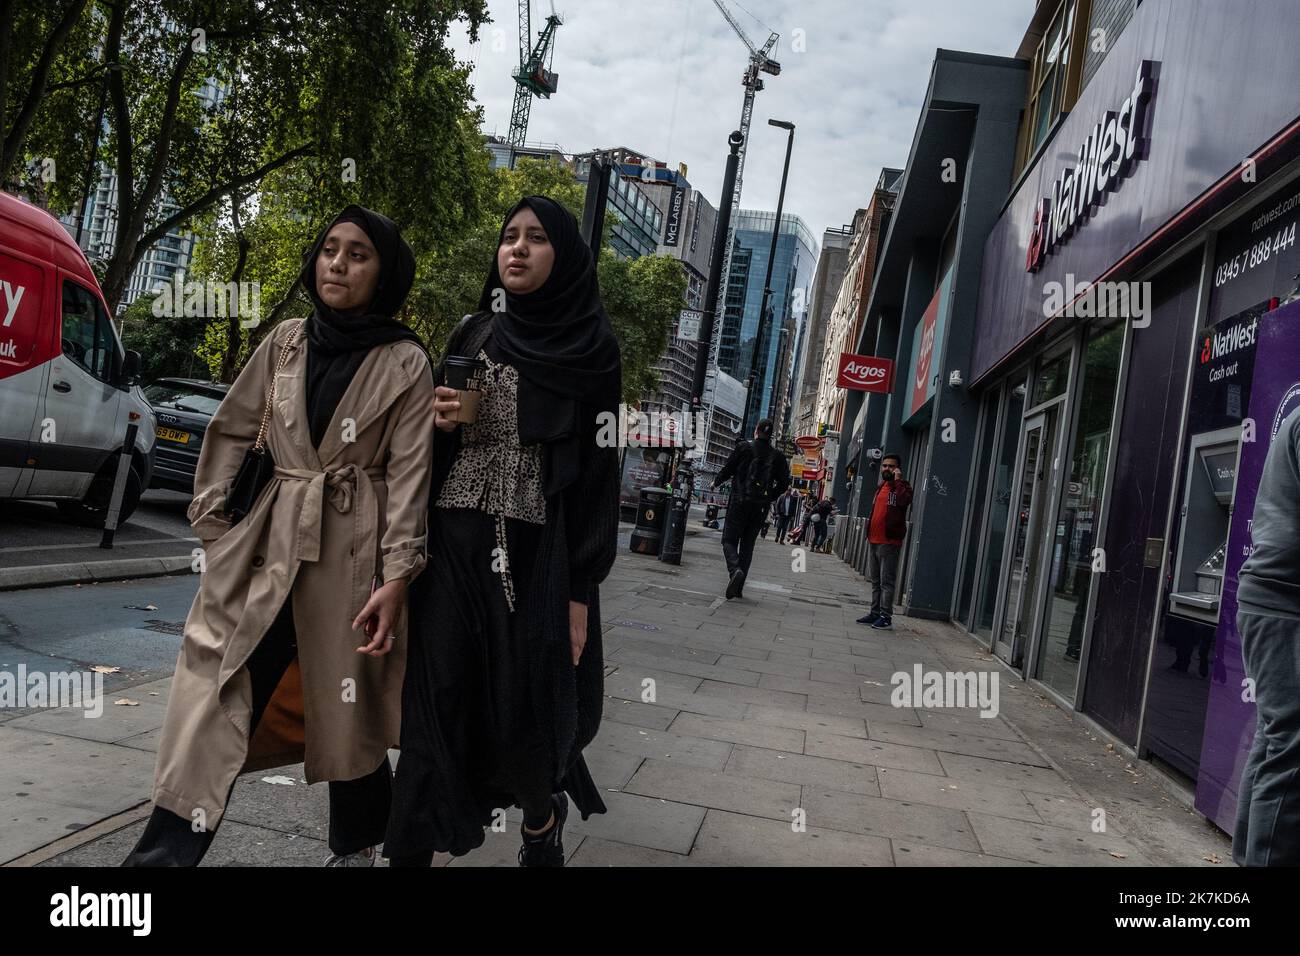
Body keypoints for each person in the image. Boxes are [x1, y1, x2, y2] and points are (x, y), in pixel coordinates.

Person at [123, 205, 436, 866]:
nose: (337, 264)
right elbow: (233, 426)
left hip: (350, 555)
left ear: (383, 273)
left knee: (342, 705)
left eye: (357, 254)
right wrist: (214, 527)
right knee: (216, 695)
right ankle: (158, 862)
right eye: (329, 249)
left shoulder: (406, 359)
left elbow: (410, 474)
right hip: (266, 544)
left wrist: (398, 576)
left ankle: (357, 843)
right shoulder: (289, 339)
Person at [384, 196, 621, 868]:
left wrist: (579, 588)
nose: (516, 249)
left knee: (526, 714)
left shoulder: (595, 349)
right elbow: (426, 448)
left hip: (535, 560)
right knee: (432, 712)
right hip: (452, 548)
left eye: (536, 238)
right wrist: (443, 418)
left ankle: (542, 822)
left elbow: (599, 471)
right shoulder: (473, 332)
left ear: (565, 256)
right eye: (509, 237)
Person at [1233, 406, 1300, 866]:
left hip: (1273, 599)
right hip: (1285, 601)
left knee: (1279, 737)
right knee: (1292, 746)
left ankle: (1247, 857)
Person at [711, 419, 790, 599]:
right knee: (748, 546)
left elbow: (729, 468)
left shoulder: (744, 448)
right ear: (770, 435)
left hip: (739, 502)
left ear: (757, 430)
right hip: (759, 507)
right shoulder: (777, 456)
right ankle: (738, 589)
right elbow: (784, 483)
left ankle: (734, 570)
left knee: (729, 541)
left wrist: (716, 481)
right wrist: (769, 496)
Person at [856, 454, 913, 630]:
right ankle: (874, 612)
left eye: (891, 466)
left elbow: (904, 501)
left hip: (889, 542)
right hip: (873, 539)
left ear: (897, 469)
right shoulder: (881, 487)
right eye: (884, 466)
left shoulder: (902, 487)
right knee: (875, 580)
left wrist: (898, 481)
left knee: (886, 581)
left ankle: (886, 616)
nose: (886, 469)